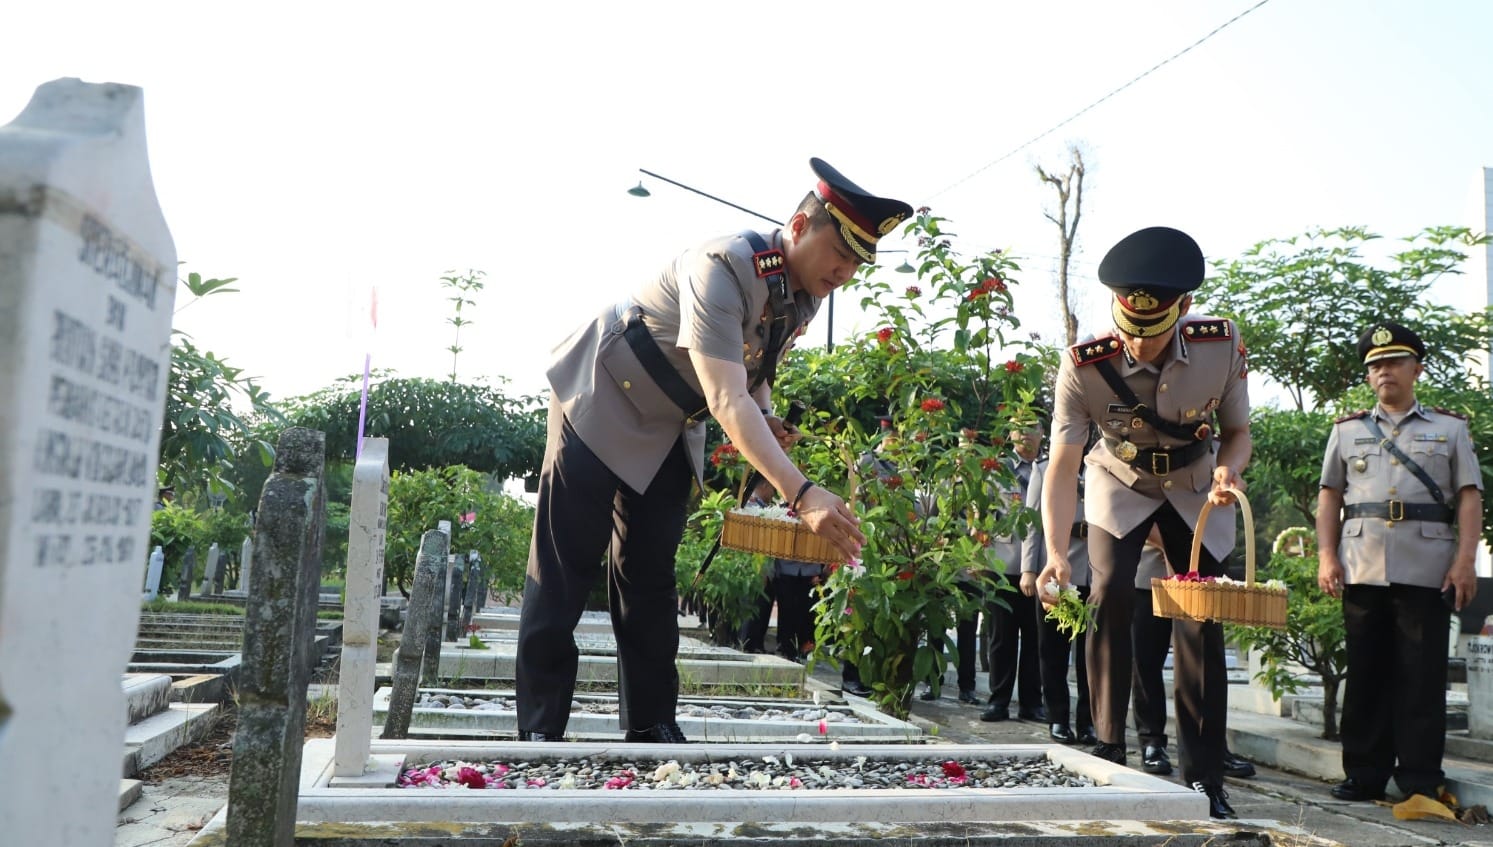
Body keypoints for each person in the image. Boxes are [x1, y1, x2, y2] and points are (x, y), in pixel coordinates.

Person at [516, 158, 909, 742]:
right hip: (602, 400)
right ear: (800, 227)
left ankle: (652, 725)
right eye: (841, 254)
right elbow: (728, 399)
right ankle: (540, 733)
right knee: (563, 571)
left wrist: (768, 416)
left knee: (648, 580)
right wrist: (801, 493)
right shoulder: (722, 265)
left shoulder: (800, 292)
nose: (846, 273)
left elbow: (753, 375)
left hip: (672, 425)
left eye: (857, 262)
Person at [1036, 226, 1250, 819]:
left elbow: (1237, 433)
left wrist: (1228, 473)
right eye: (1127, 329)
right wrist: (1057, 552)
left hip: (1194, 484)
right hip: (1119, 480)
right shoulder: (1084, 365)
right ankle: (1107, 747)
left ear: (1183, 311)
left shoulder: (1220, 345)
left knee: (1199, 615)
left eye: (1151, 335)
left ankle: (1205, 776)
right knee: (1106, 593)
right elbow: (1061, 467)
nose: (1137, 345)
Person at [1317, 322, 1483, 802]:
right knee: (1366, 672)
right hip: (1362, 563)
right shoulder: (1347, 431)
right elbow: (1329, 497)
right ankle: (1364, 775)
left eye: (1392, 362)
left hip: (1427, 565)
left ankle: (1419, 779)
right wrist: (1327, 556)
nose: (1383, 370)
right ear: (1368, 377)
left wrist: (1465, 560)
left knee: (1421, 674)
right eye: (1374, 365)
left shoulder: (1449, 428)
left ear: (1416, 369)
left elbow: (1469, 497)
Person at [1131, 534, 1258, 779]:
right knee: (1146, 658)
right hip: (1150, 568)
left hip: (1202, 566)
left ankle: (1212, 749)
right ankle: (1151, 742)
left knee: (1205, 662)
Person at [1023, 442, 1094, 744]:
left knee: (1091, 655)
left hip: (1094, 567)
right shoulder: (1042, 469)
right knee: (1053, 651)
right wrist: (1028, 568)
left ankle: (1089, 721)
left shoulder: (1102, 468)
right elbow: (1031, 524)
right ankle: (1058, 718)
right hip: (1055, 570)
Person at [981, 422, 1045, 722]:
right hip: (1002, 565)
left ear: (1043, 434)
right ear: (1011, 434)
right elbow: (980, 517)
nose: (1028, 434)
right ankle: (998, 700)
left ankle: (1032, 703)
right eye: (1022, 428)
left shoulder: (1048, 469)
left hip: (1039, 566)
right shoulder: (998, 471)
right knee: (1001, 637)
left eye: (1034, 428)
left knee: (1035, 638)